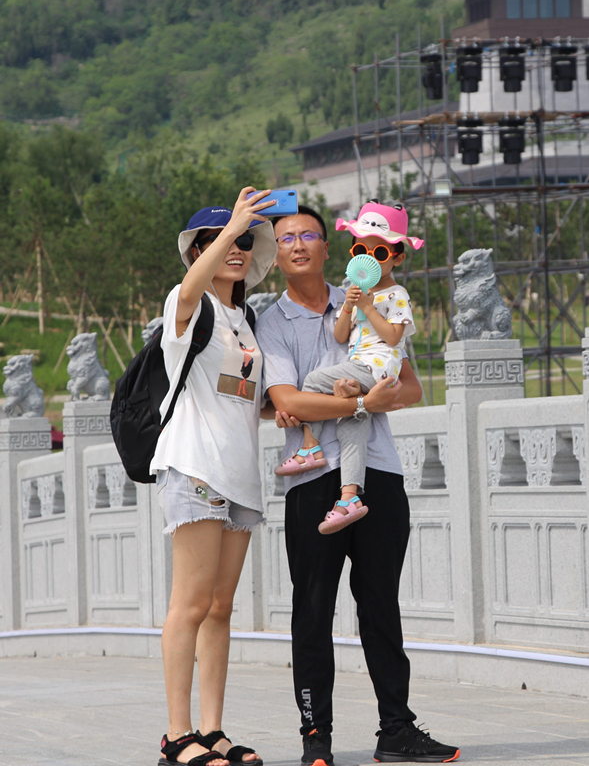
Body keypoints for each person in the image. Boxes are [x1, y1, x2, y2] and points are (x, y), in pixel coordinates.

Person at [255, 204, 460, 764]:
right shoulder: (272, 324)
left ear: (330, 248)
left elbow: (410, 388)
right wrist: (363, 402)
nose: (298, 244)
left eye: (309, 235)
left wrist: (358, 398)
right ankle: (316, 738)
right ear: (276, 255)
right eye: (286, 238)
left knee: (381, 606)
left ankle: (397, 730)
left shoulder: (376, 294)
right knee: (313, 609)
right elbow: (287, 400)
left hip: (379, 471)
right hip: (311, 477)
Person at [150, 187, 277, 766]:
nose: (235, 249)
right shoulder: (189, 305)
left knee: (221, 607)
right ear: (197, 250)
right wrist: (230, 227)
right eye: (219, 241)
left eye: (245, 241)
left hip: (240, 475)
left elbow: (243, 396)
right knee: (191, 603)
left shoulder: (245, 320)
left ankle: (211, 730)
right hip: (195, 465)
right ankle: (177, 737)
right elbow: (188, 288)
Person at [274, 202, 422, 535]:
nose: (369, 258)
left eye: (379, 253)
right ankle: (349, 497)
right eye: (360, 251)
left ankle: (309, 446)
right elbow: (341, 335)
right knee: (352, 423)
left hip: (376, 368)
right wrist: (349, 307)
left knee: (314, 380)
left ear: (397, 258)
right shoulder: (353, 296)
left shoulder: (396, 295)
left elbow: (393, 339)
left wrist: (368, 307)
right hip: (359, 368)